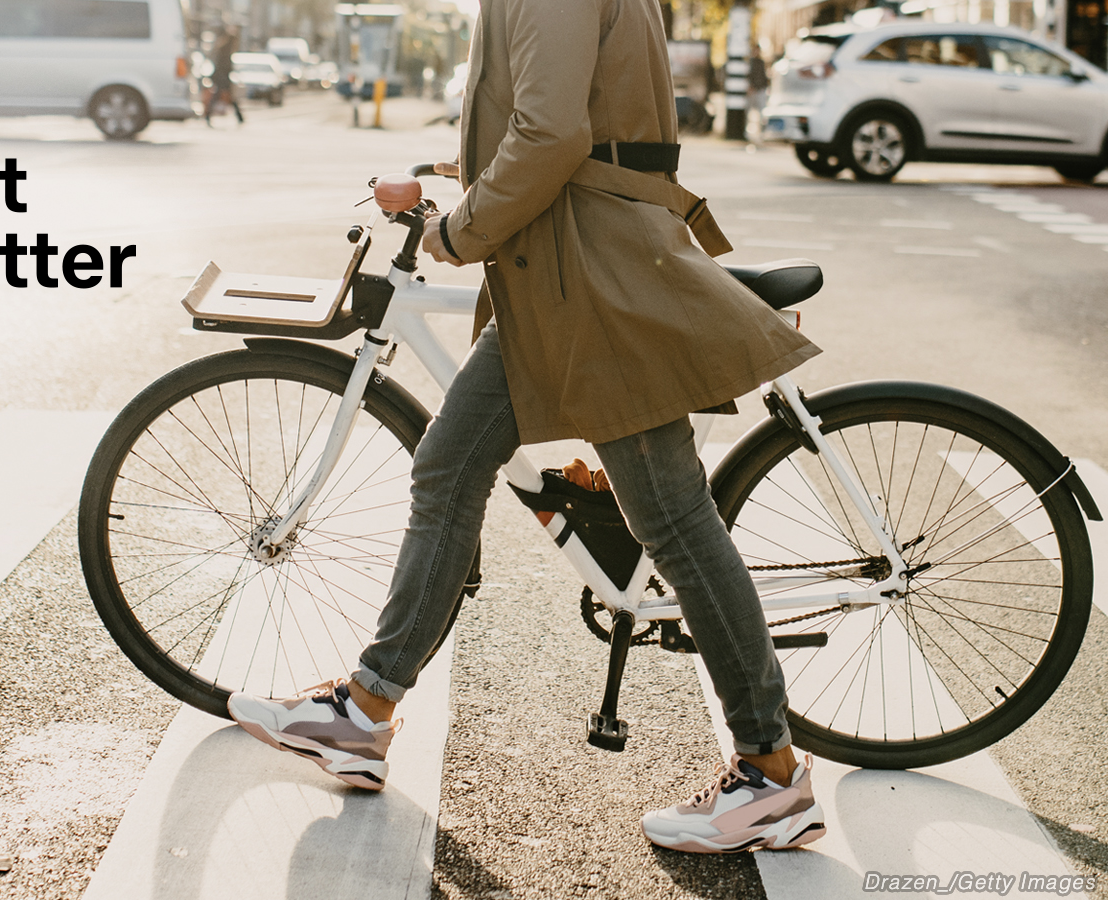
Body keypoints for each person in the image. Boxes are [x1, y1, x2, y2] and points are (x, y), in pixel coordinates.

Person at [227, 0, 827, 855]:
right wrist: (455, 171)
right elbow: (560, 113)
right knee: (447, 469)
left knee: (673, 520)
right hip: (557, 272)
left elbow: (553, 136)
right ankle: (364, 711)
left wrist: (459, 229)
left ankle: (771, 775)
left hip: (597, 277)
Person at [203, 26, 244, 126]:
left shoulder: (223, 47)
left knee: (221, 97)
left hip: (221, 77)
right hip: (222, 78)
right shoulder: (226, 49)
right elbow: (224, 65)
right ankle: (239, 117)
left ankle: (239, 117)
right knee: (224, 97)